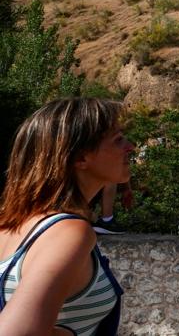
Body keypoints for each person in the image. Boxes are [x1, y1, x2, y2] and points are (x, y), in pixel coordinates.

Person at [0, 98, 133, 336]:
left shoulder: (11, 224)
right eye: (118, 139)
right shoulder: (69, 231)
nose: (130, 146)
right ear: (81, 158)